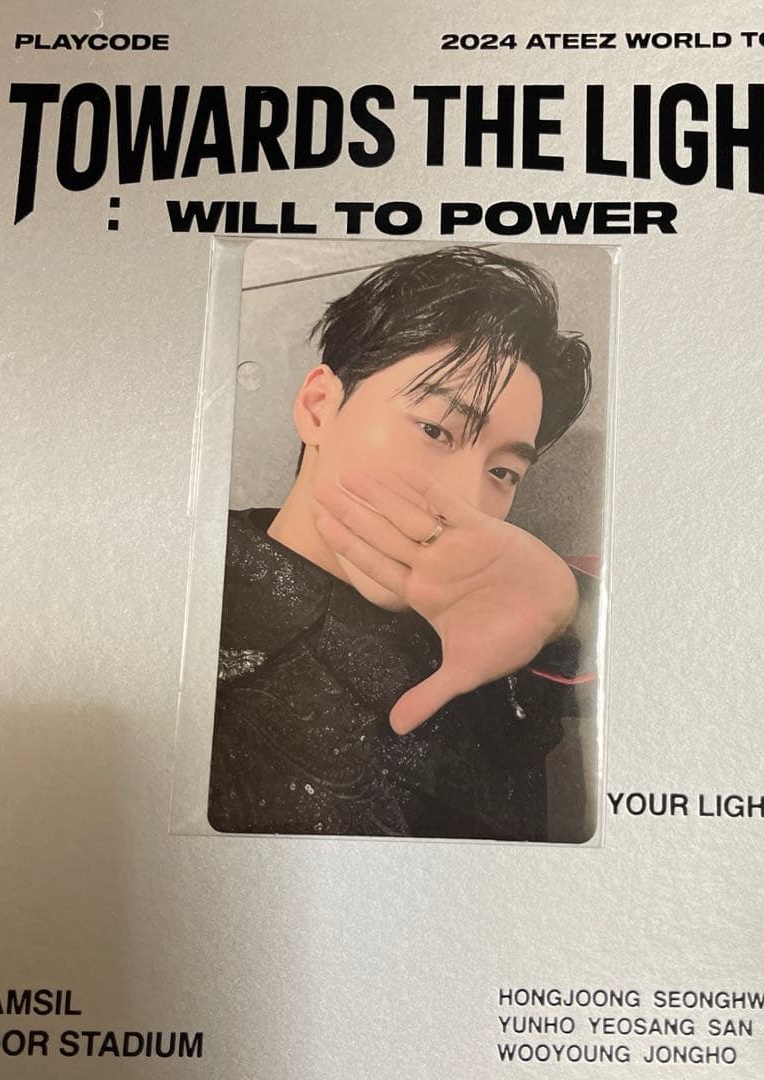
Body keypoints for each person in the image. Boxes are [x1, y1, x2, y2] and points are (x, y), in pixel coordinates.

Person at [208, 246, 595, 840]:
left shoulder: (505, 621)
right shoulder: (181, 606)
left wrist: (567, 614)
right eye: (435, 430)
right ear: (319, 409)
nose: (466, 500)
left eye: (503, 472)